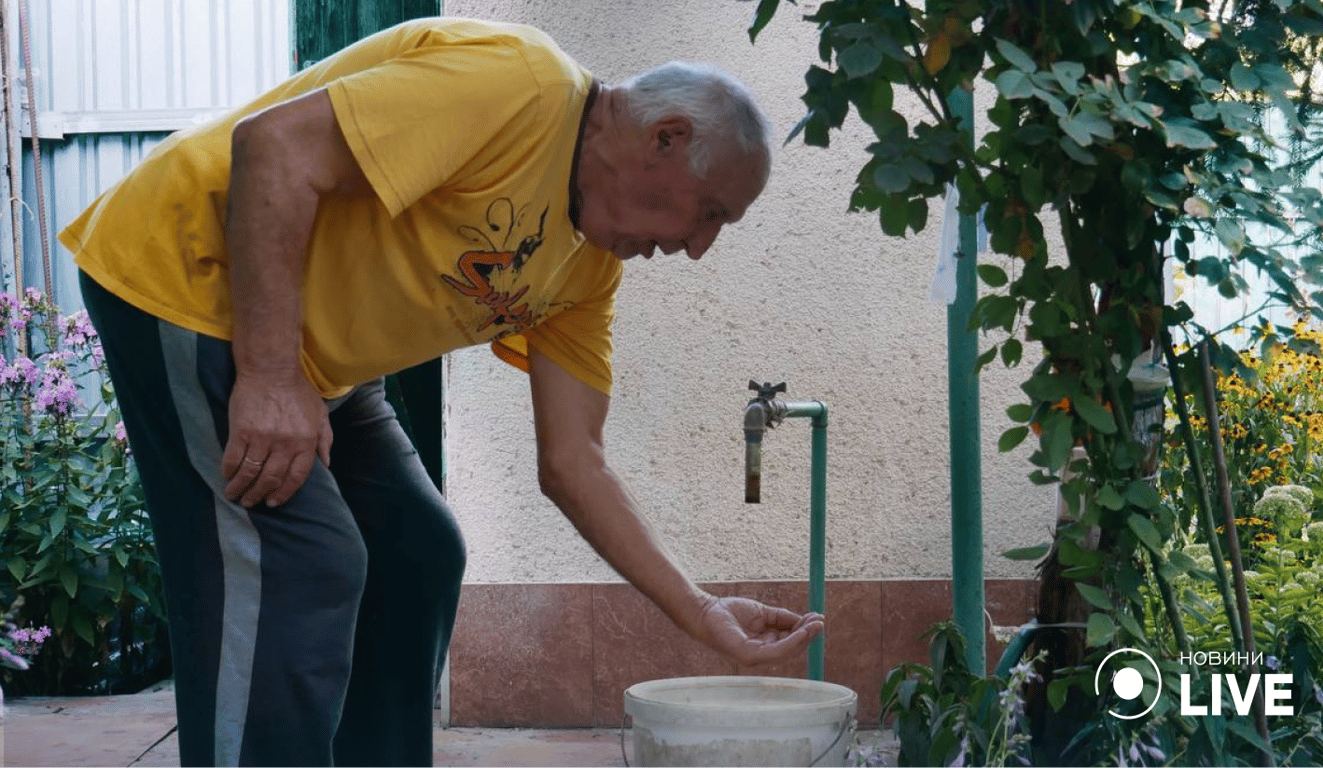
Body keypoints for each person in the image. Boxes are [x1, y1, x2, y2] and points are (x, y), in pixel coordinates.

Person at [59, 16, 824, 768]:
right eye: (711, 213)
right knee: (303, 563)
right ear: (666, 138)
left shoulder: (587, 269)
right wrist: (267, 376)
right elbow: (275, 146)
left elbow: (574, 462)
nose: (697, 247)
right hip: (191, 278)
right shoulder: (518, 89)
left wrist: (698, 610)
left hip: (316, 357)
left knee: (415, 548)